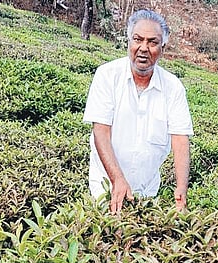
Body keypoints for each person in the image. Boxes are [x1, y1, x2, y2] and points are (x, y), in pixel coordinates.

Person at [83, 9, 194, 214]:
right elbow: (101, 131)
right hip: (105, 186)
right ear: (129, 42)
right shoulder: (107, 75)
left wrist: (181, 188)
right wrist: (117, 179)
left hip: (147, 191)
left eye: (152, 42)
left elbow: (180, 139)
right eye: (137, 39)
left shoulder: (173, 87)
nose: (143, 48)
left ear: (163, 47)